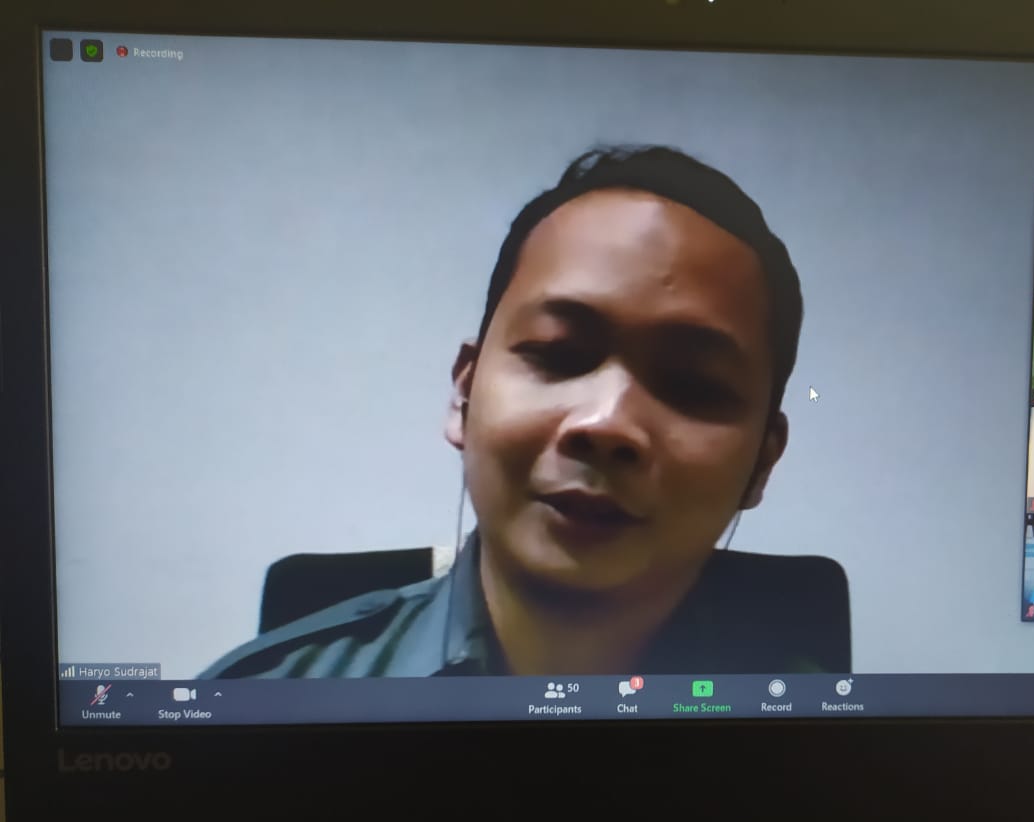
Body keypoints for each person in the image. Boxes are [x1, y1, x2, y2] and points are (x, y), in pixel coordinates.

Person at [199, 144, 851, 679]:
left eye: (692, 386)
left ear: (762, 462)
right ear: (465, 394)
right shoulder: (253, 705)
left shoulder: (831, 750)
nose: (605, 423)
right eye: (557, 354)